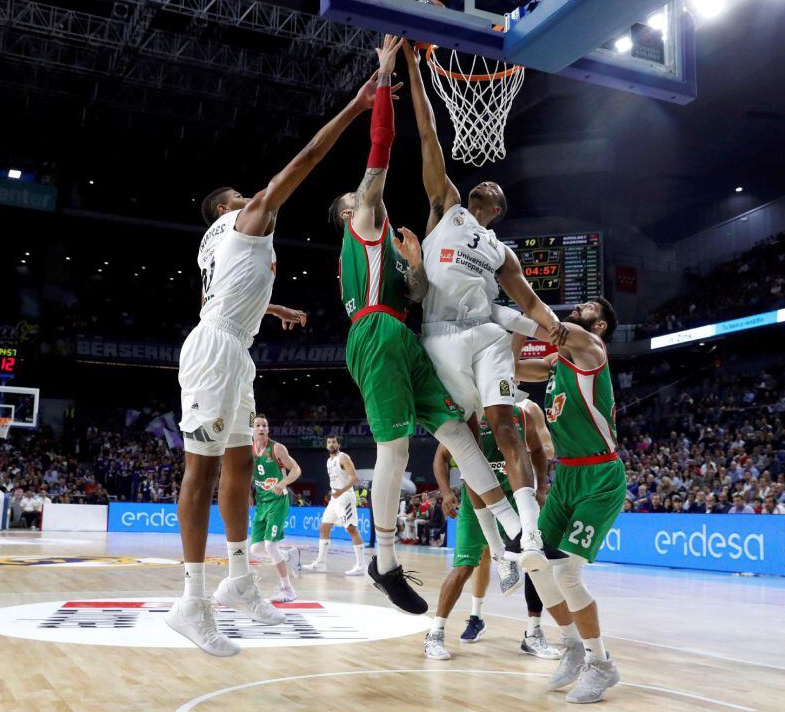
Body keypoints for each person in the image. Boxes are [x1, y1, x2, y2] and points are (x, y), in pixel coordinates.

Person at [165, 55, 380, 657]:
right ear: (225, 209)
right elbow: (308, 157)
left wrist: (274, 310)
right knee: (201, 471)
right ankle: (191, 600)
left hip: (235, 346)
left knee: (237, 466)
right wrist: (357, 107)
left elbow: (231, 294)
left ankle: (239, 579)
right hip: (214, 350)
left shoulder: (219, 247)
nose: (251, 195)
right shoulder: (244, 220)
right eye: (238, 194)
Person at [326, 36, 529, 612]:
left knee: (458, 433)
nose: (369, 195)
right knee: (393, 451)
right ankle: (384, 561)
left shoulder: (392, 244)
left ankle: (513, 527)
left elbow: (413, 293)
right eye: (359, 196)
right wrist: (389, 72)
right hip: (374, 334)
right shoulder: (363, 218)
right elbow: (383, 145)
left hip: (404, 333)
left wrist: (415, 268)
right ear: (348, 212)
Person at [401, 40, 566, 573]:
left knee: (506, 425)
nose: (487, 183)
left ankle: (531, 535)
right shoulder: (445, 205)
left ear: (496, 209)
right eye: (485, 182)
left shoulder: (500, 250)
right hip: (441, 335)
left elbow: (526, 298)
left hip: (485, 334)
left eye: (495, 190)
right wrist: (412, 67)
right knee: (465, 440)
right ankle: (502, 544)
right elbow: (428, 133)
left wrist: (552, 324)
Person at [513, 299, 624, 704]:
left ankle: (603, 665)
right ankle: (574, 647)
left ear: (602, 326)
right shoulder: (554, 366)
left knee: (568, 574)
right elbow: (510, 369)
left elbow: (551, 326)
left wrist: (513, 304)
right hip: (567, 477)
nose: (576, 309)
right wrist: (512, 329)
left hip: (599, 475)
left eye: (586, 308)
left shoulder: (593, 352)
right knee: (536, 564)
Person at [424, 400, 561, 661]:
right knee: (464, 567)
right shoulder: (470, 417)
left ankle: (533, 634)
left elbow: (540, 451)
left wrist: (541, 487)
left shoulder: (522, 415)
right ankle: (435, 634)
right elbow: (441, 457)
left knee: (535, 563)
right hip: (476, 502)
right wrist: (444, 493)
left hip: (513, 500)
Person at [249, 414, 302, 602]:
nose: (261, 428)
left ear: (268, 429)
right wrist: (249, 494)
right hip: (262, 503)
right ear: (252, 429)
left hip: (278, 501)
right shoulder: (249, 450)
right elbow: (248, 475)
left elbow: (296, 469)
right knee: (255, 548)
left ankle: (288, 589)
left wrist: (284, 482)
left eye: (264, 425)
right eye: (257, 425)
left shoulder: (277, 448)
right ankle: (289, 555)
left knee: (271, 546)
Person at [302, 435, 366, 576]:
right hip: (335, 498)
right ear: (326, 445)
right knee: (324, 527)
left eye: (334, 442)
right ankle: (320, 563)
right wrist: (335, 494)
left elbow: (354, 478)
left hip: (345, 496)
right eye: (329, 442)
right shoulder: (328, 461)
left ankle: (361, 565)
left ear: (338, 444)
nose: (331, 444)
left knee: (351, 529)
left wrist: (341, 491)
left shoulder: (343, 457)